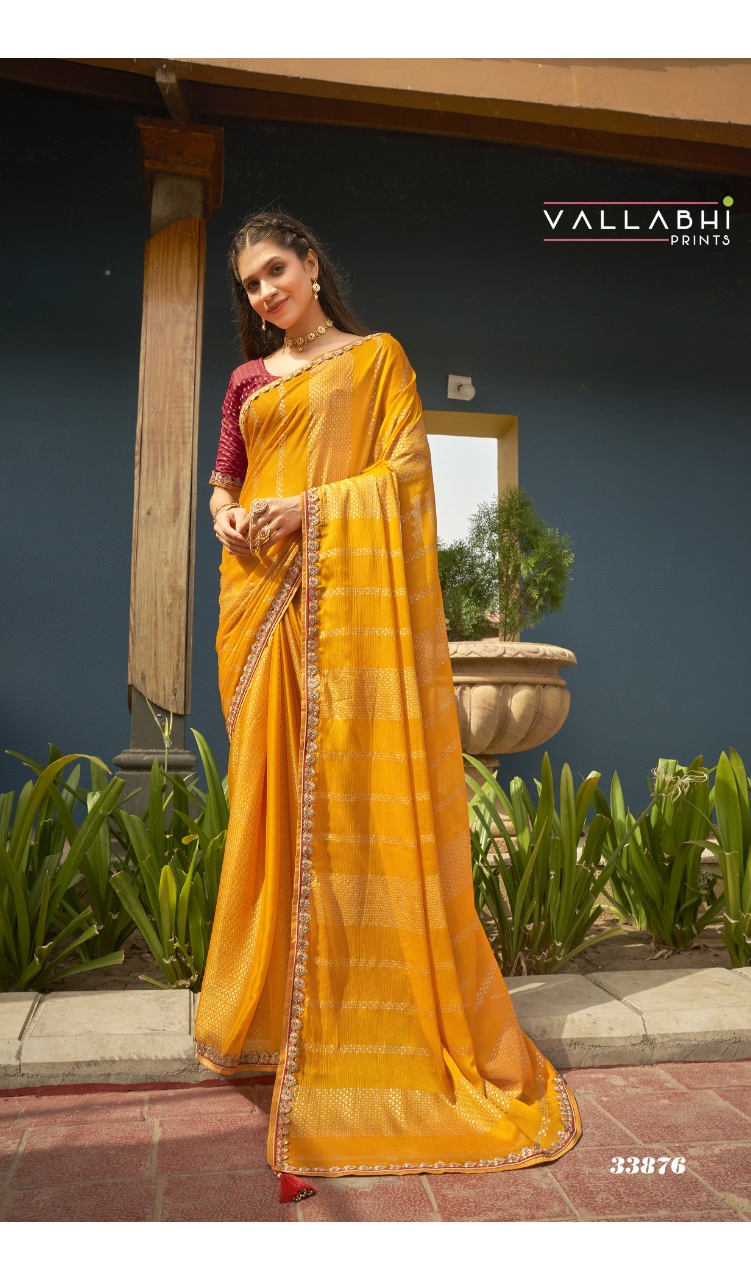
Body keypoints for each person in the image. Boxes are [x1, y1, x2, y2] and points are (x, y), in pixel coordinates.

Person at [194, 210, 581, 1202]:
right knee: (274, 805)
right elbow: (223, 478)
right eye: (249, 285)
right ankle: (275, 1014)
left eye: (274, 270)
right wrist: (229, 515)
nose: (264, 292)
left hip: (344, 608)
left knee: (352, 813)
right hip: (263, 604)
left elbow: (404, 477)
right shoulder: (246, 381)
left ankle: (366, 1026)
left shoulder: (375, 360)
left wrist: (313, 507)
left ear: (310, 264)